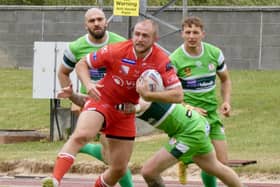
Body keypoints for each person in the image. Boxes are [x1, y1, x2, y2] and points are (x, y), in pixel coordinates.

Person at [42, 19, 183, 187]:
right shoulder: (117, 49)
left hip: (125, 114)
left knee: (119, 169)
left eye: (145, 36)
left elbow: (178, 95)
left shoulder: (161, 60)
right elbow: (82, 64)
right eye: (136, 34)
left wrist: (149, 95)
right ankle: (54, 180)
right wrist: (89, 84)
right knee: (82, 135)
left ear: (155, 39)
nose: (139, 39)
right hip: (102, 100)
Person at [56, 84, 243, 187]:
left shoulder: (138, 90)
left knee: (149, 171)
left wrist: (134, 108)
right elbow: (93, 101)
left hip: (189, 131)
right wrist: (72, 95)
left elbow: (143, 103)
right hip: (193, 125)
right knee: (215, 167)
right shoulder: (118, 92)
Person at [55, 7, 133, 187]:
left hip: (117, 105)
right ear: (85, 25)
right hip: (93, 105)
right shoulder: (76, 47)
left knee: (111, 156)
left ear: (106, 22)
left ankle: (84, 146)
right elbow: (63, 72)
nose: (97, 23)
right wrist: (74, 97)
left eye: (100, 19)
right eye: (92, 21)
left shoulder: (121, 43)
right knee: (114, 157)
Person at [170, 16, 232, 187]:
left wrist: (226, 102)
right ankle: (185, 160)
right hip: (189, 117)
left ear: (203, 34)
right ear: (182, 34)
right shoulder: (175, 59)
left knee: (222, 163)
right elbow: (170, 94)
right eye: (188, 32)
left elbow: (225, 80)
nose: (191, 36)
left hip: (211, 114)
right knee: (206, 160)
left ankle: (186, 159)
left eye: (195, 32)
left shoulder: (214, 53)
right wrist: (188, 108)